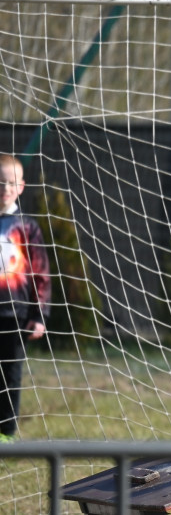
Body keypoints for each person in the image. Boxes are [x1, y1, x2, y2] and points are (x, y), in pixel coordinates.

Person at [0, 154, 51, 441]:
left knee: (10, 375)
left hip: (14, 315)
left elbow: (40, 273)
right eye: (0, 182)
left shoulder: (27, 226)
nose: (5, 188)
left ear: (21, 187)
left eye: (11, 183)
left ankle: (6, 435)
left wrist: (39, 315)